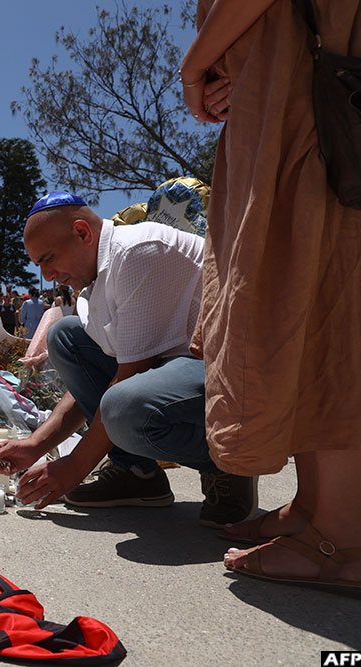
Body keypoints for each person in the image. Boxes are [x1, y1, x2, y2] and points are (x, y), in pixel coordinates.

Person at [182, 0, 361, 591]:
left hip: (305, 95)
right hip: (289, 92)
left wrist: (195, 66)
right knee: (302, 301)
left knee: (323, 300)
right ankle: (315, 509)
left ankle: (341, 540)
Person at [0, 192, 255, 530]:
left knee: (126, 408)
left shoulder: (136, 251)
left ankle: (228, 461)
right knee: (65, 336)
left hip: (233, 374)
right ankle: (136, 473)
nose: (47, 275)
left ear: (82, 233)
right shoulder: (97, 280)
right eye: (39, 265)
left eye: (49, 258)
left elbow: (125, 381)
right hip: (180, 367)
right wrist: (36, 444)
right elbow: (94, 383)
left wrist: (75, 467)